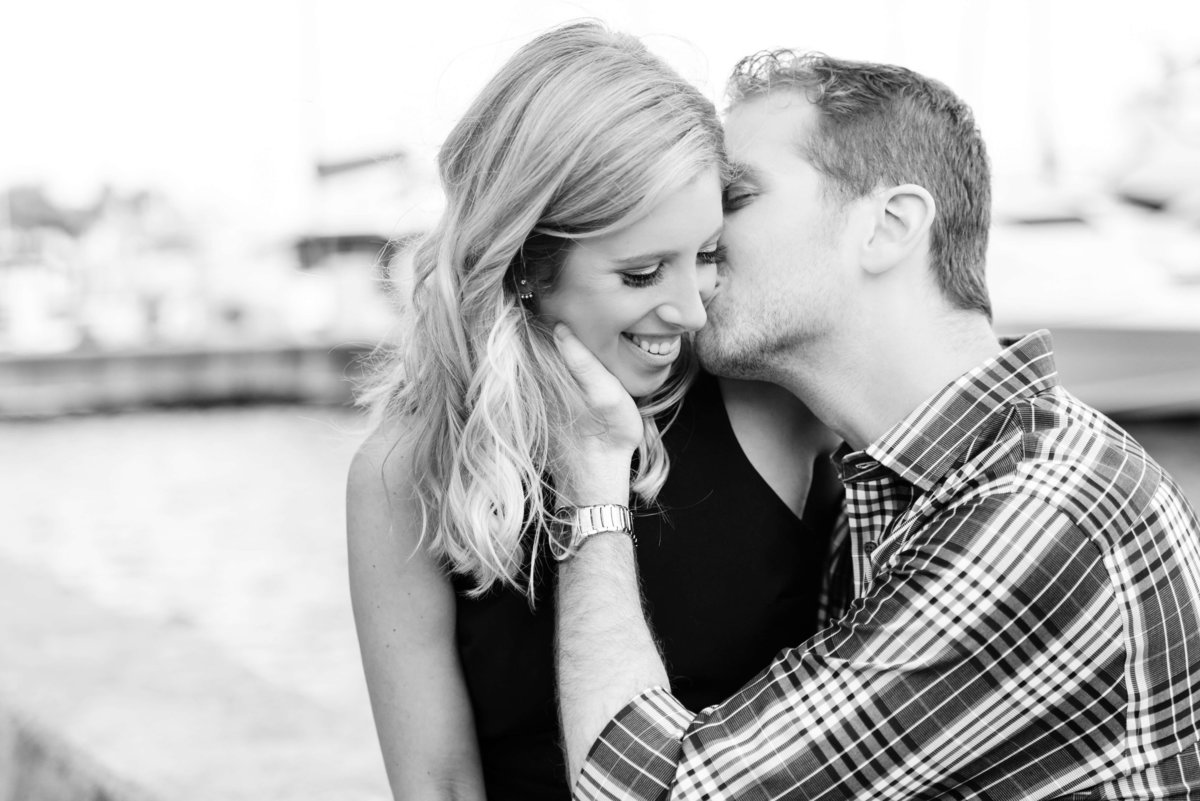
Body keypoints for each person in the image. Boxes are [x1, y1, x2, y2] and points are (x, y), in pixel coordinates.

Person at [552, 50, 1200, 800]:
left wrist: (593, 476)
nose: (700, 233)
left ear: (890, 226)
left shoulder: (1044, 511)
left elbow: (641, 792)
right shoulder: (921, 477)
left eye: (735, 195)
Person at [346, 24, 840, 801]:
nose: (688, 310)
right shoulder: (406, 471)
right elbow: (438, 781)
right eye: (642, 273)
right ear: (524, 267)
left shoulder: (772, 401)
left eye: (706, 255)